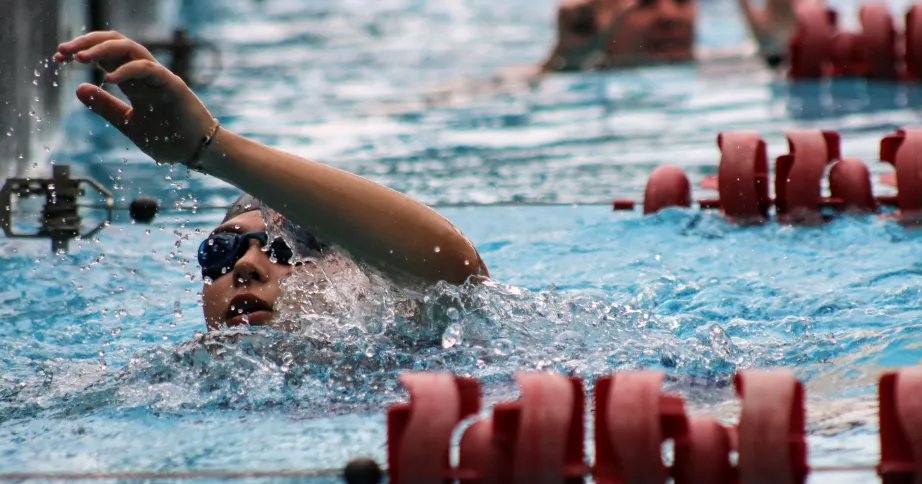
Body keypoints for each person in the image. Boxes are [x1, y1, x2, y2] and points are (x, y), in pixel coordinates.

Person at [55, 31, 489, 331]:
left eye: (288, 248)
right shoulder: (165, 385)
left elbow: (452, 269)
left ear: (366, 278)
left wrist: (207, 150)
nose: (244, 267)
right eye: (219, 251)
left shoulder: (411, 342)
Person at [541, 0, 803, 72]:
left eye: (682, 1)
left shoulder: (717, 66)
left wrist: (778, 49)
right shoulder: (582, 76)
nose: (670, 16)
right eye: (646, 3)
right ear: (600, 17)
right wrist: (567, 62)